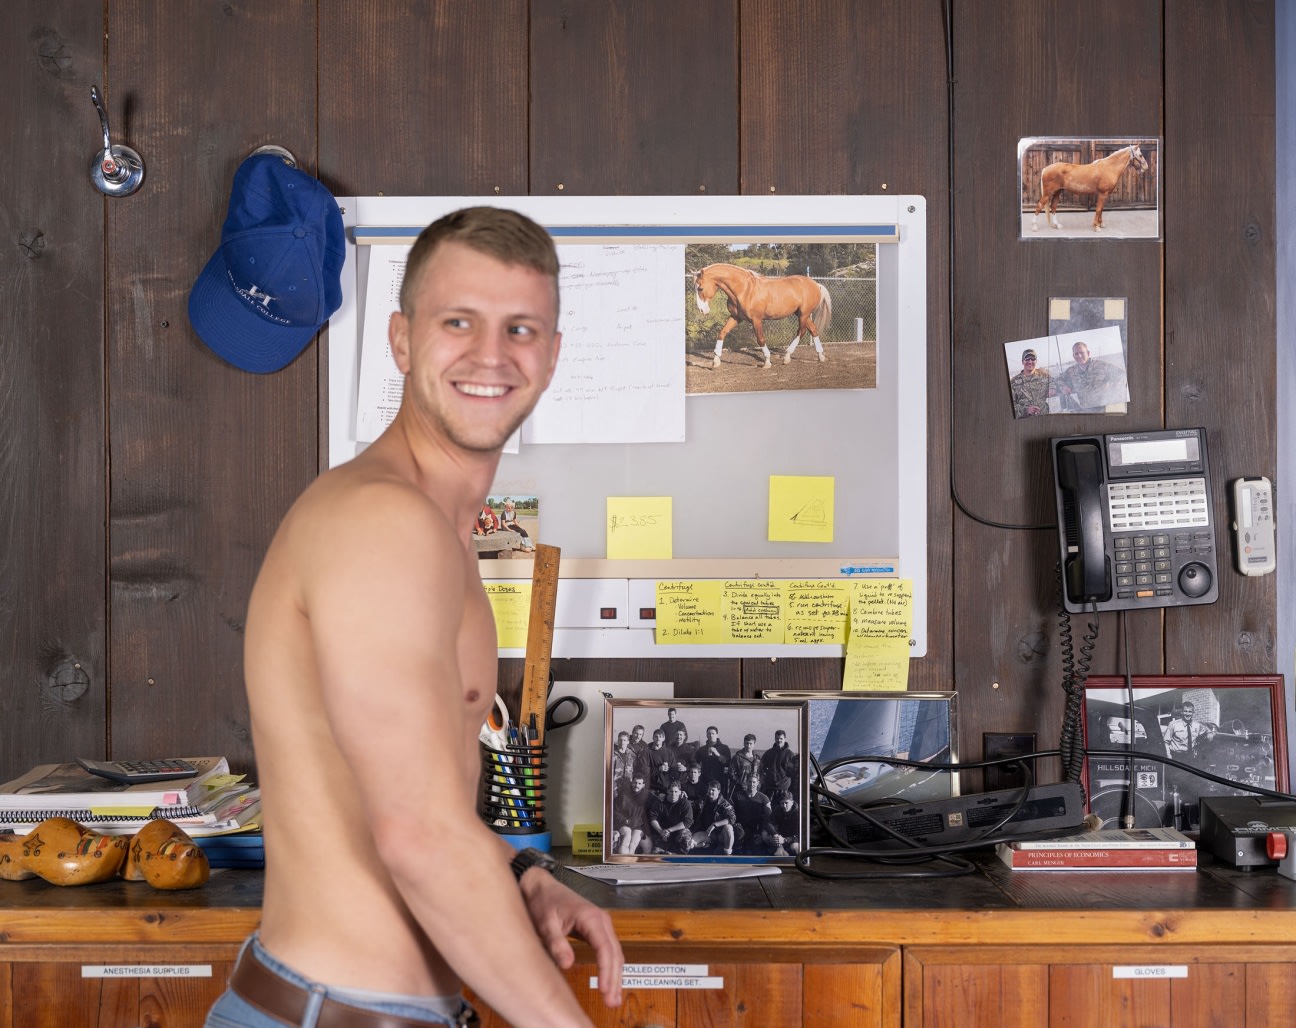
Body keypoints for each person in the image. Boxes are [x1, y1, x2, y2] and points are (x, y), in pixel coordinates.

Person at [206, 207, 622, 1027]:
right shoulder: (383, 525)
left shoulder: (432, 529)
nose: (490, 355)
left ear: (552, 357)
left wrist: (516, 874)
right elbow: (418, 835)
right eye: (457, 322)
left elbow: (395, 793)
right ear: (400, 341)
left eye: (521, 328)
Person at [1051, 340, 1126, 412]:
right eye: (1076, 354)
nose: (1079, 356)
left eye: (1082, 353)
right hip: (1085, 409)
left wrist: (1114, 392)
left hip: (1104, 408)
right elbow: (1058, 379)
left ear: (1088, 353)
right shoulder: (1071, 371)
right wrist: (1063, 387)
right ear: (1073, 356)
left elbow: (1122, 375)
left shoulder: (1102, 366)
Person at [689, 780, 738, 855]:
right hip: (706, 833)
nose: (710, 792)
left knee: (729, 828)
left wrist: (715, 824)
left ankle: (727, 855)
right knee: (689, 843)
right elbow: (692, 806)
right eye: (709, 789)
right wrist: (681, 796)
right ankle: (703, 845)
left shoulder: (725, 804)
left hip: (720, 834)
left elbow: (732, 818)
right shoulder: (703, 800)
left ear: (718, 791)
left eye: (713, 790)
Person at [646, 781, 694, 854]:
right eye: (671, 791)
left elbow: (687, 822)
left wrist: (669, 830)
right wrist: (661, 831)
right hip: (662, 832)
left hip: (678, 831)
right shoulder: (659, 802)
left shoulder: (685, 803)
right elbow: (653, 819)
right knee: (655, 852)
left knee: (686, 840)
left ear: (680, 792)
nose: (673, 794)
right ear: (667, 791)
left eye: (676, 791)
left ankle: (682, 856)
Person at [1009, 347, 1050, 417]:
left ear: (1036, 361)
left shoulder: (1044, 375)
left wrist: (1052, 387)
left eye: (1033, 359)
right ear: (1022, 362)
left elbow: (1057, 382)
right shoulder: (1013, 382)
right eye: (1027, 359)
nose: (1030, 362)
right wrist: (1026, 410)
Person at [759, 729, 798, 798]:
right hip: (769, 788)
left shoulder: (790, 754)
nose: (779, 740)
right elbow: (761, 768)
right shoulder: (768, 753)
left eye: (781, 738)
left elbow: (793, 773)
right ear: (775, 739)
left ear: (785, 739)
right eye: (777, 738)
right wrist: (763, 780)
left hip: (784, 789)